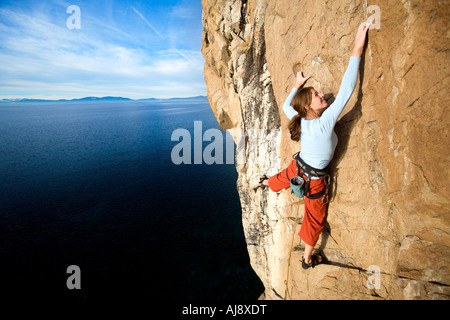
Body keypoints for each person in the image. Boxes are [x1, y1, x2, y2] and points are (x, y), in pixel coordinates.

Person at [261, 21, 370, 269]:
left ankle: (267, 183)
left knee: (281, 177)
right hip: (315, 180)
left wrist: (297, 86)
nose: (323, 96)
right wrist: (357, 46)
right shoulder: (325, 121)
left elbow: (288, 106)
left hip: (298, 168)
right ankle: (307, 258)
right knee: (313, 218)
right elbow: (347, 90)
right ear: (309, 107)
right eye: (317, 97)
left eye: (319, 93)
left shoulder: (303, 118)